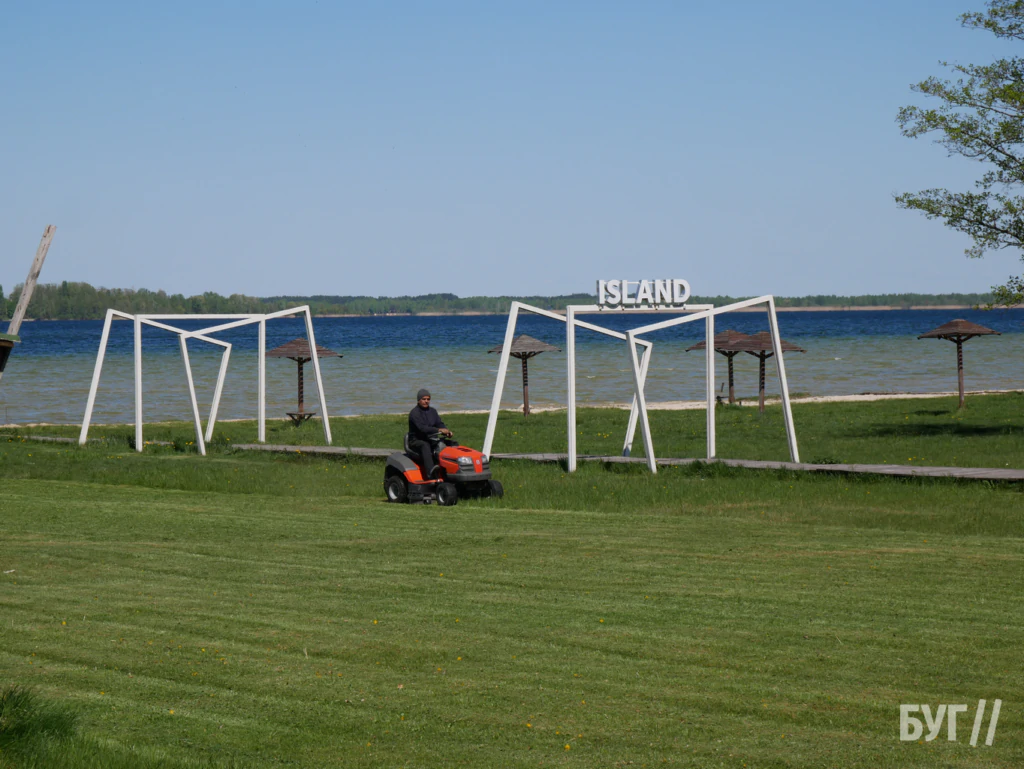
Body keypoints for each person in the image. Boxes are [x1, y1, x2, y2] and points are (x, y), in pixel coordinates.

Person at [408, 388, 452, 478]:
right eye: (424, 399)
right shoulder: (414, 413)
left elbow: (439, 423)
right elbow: (422, 428)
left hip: (431, 438)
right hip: (416, 440)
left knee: (451, 444)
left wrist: (446, 431)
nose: (426, 401)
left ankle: (450, 469)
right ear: (419, 400)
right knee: (425, 445)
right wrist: (439, 430)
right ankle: (430, 473)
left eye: (428, 399)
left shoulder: (433, 411)